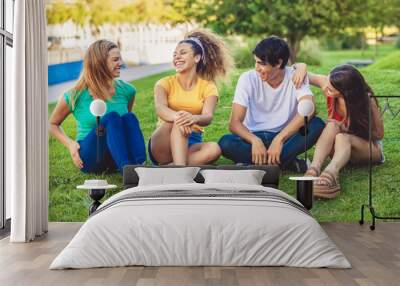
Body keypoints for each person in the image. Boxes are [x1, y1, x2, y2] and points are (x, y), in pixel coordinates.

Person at [218, 36, 325, 172]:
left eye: (262, 63)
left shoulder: (295, 76)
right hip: (254, 136)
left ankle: (255, 163)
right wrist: (254, 141)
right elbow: (234, 123)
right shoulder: (247, 78)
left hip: (286, 136)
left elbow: (309, 109)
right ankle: (287, 162)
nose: (257, 68)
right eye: (255, 62)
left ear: (279, 63)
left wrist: (279, 139)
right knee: (225, 143)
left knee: (317, 125)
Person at [49, 39, 146, 174]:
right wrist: (70, 144)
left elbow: (124, 127)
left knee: (129, 117)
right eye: (115, 60)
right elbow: (52, 124)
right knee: (111, 118)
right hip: (91, 158)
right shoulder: (74, 95)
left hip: (115, 156)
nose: (121, 64)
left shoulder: (128, 90)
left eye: (120, 59)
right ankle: (128, 172)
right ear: (99, 63)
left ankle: (142, 166)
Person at [294, 64, 384, 198]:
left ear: (346, 92)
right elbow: (298, 70)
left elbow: (378, 134)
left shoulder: (366, 100)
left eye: (331, 88)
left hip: (368, 149)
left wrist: (345, 128)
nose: (326, 88)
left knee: (342, 136)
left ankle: (331, 173)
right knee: (331, 126)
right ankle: (314, 169)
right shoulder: (329, 83)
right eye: (328, 83)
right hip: (341, 149)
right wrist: (302, 67)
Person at [148, 29, 233, 165]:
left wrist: (194, 118)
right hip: (163, 142)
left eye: (183, 53)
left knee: (214, 149)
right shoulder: (164, 83)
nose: (177, 57)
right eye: (175, 54)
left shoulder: (208, 87)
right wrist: (179, 117)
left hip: (192, 141)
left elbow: (208, 116)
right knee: (178, 120)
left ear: (197, 58)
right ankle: (181, 171)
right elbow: (160, 109)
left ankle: (172, 167)